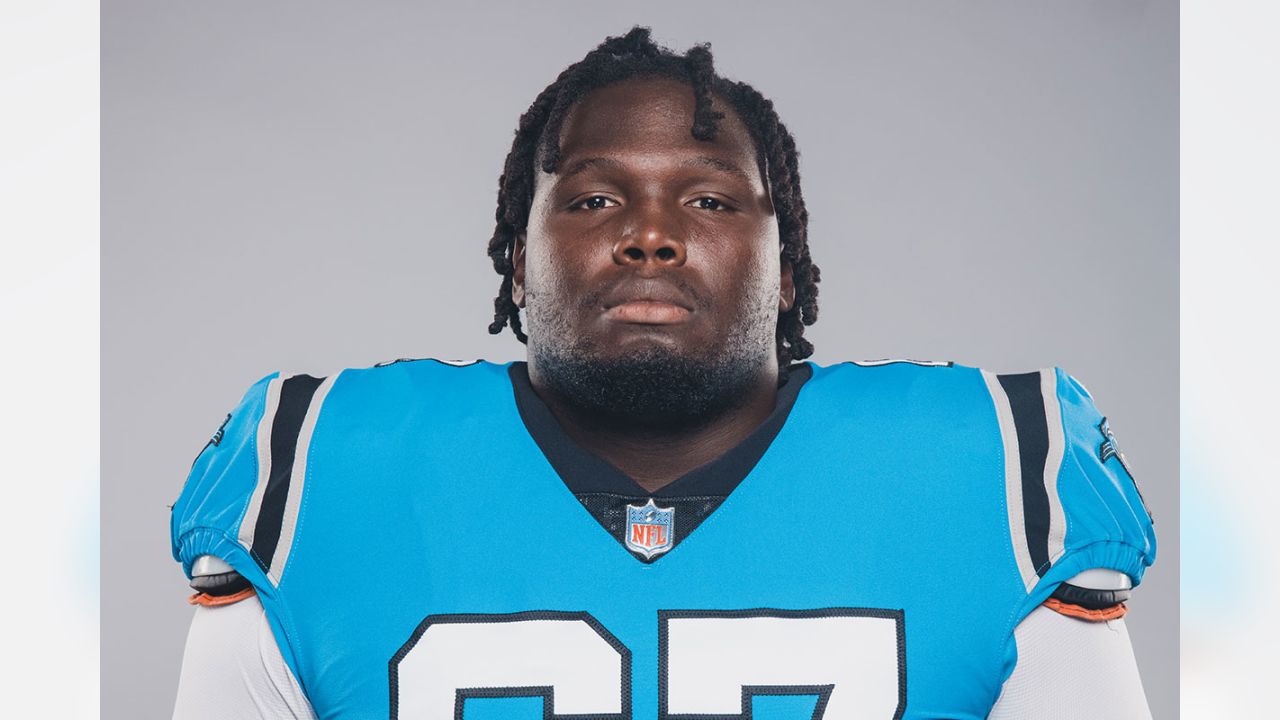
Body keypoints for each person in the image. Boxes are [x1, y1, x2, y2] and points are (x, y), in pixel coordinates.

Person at [170, 26, 1156, 719]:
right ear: (518, 257)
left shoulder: (981, 465)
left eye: (712, 202)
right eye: (595, 199)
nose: (650, 236)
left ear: (786, 265)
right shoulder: (321, 465)